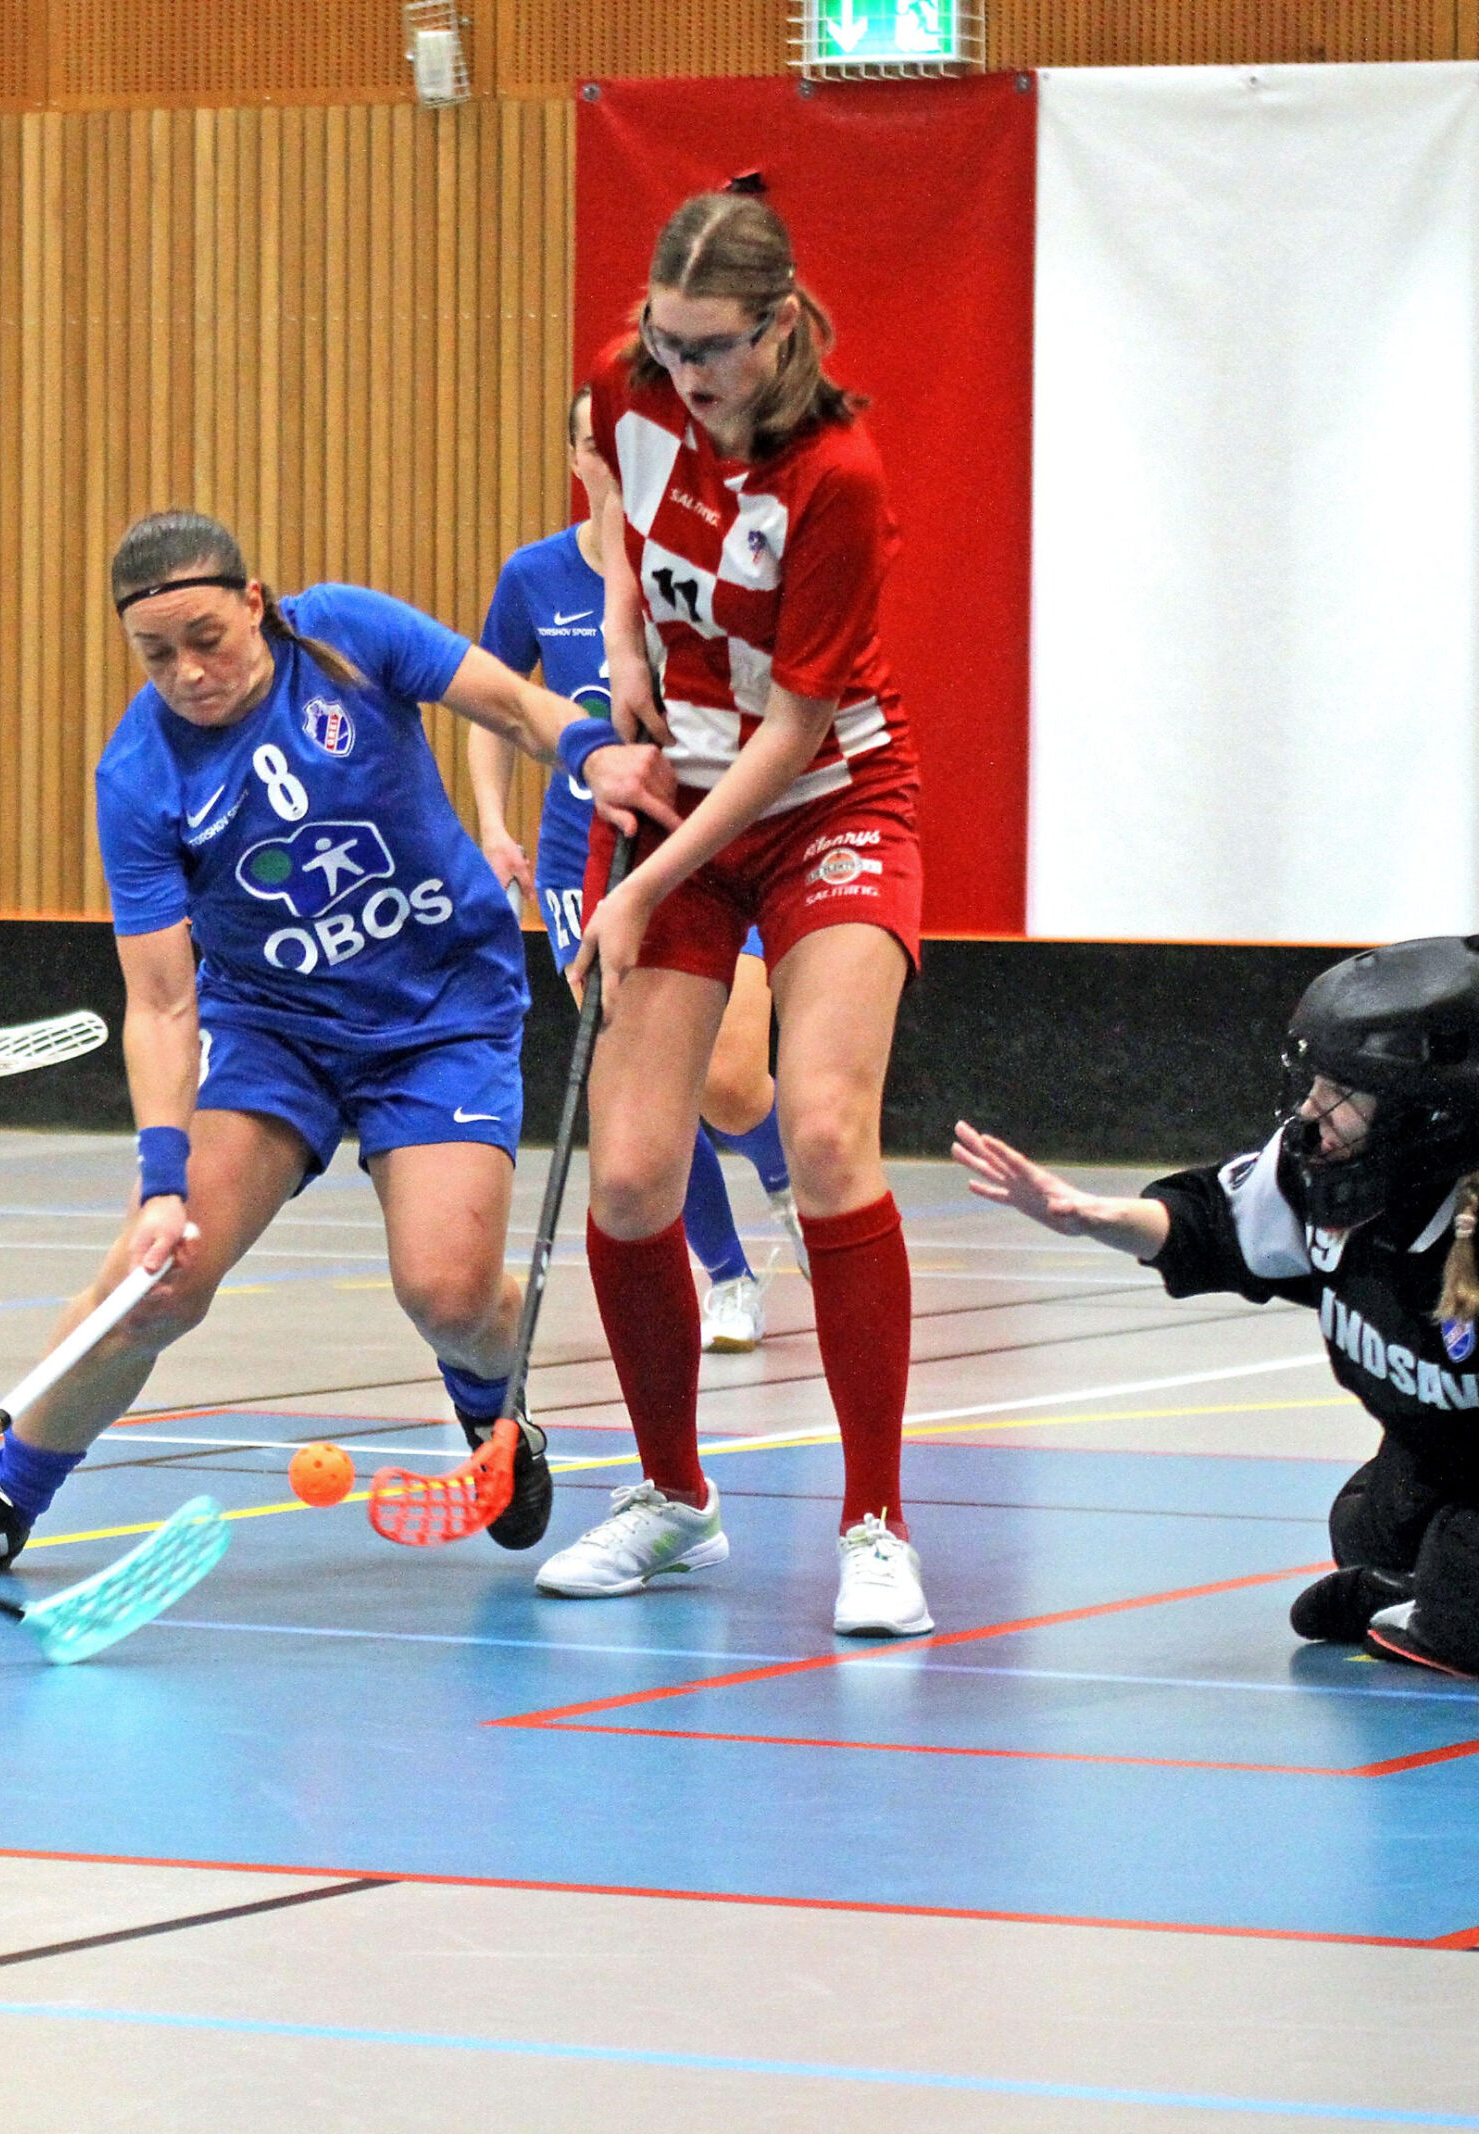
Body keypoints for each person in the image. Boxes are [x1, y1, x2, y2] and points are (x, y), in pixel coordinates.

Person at [0, 510, 676, 1576]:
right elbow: (161, 1005)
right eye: (156, 654)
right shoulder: (139, 776)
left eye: (207, 638)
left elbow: (510, 702)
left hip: (439, 1011)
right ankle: (3, 1490)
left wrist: (591, 754)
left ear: (254, 602)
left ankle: (494, 1408)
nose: (188, 673)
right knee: (150, 1286)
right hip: (271, 1032)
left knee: (450, 1297)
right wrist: (160, 1181)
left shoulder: (343, 634)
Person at [540, 190, 932, 1637]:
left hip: (824, 801)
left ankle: (876, 1523)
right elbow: (614, 528)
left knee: (821, 1131)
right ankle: (670, 1499)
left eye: (710, 347)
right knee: (633, 1176)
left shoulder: (839, 474)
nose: (684, 371)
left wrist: (638, 882)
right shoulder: (627, 380)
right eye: (665, 339)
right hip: (675, 799)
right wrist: (625, 657)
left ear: (776, 329)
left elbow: (791, 734)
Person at [954, 936, 1479, 1673]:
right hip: (1448, 1454)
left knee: (1461, 1595)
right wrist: (1091, 1216)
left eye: (1341, 1093)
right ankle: (1418, 1586)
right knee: (1368, 1525)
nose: (1311, 1109)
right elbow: (1212, 1223)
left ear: (1427, 1112)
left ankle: (1433, 1597)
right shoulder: (1326, 1180)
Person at [468, 386, 797, 1358]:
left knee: (728, 1081)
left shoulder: (699, 564)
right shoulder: (533, 575)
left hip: (707, 848)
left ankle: (792, 1190)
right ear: (576, 459)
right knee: (643, 1090)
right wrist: (492, 826)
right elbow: (494, 703)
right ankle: (727, 1276)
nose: (609, 461)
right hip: (587, 865)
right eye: (592, 446)